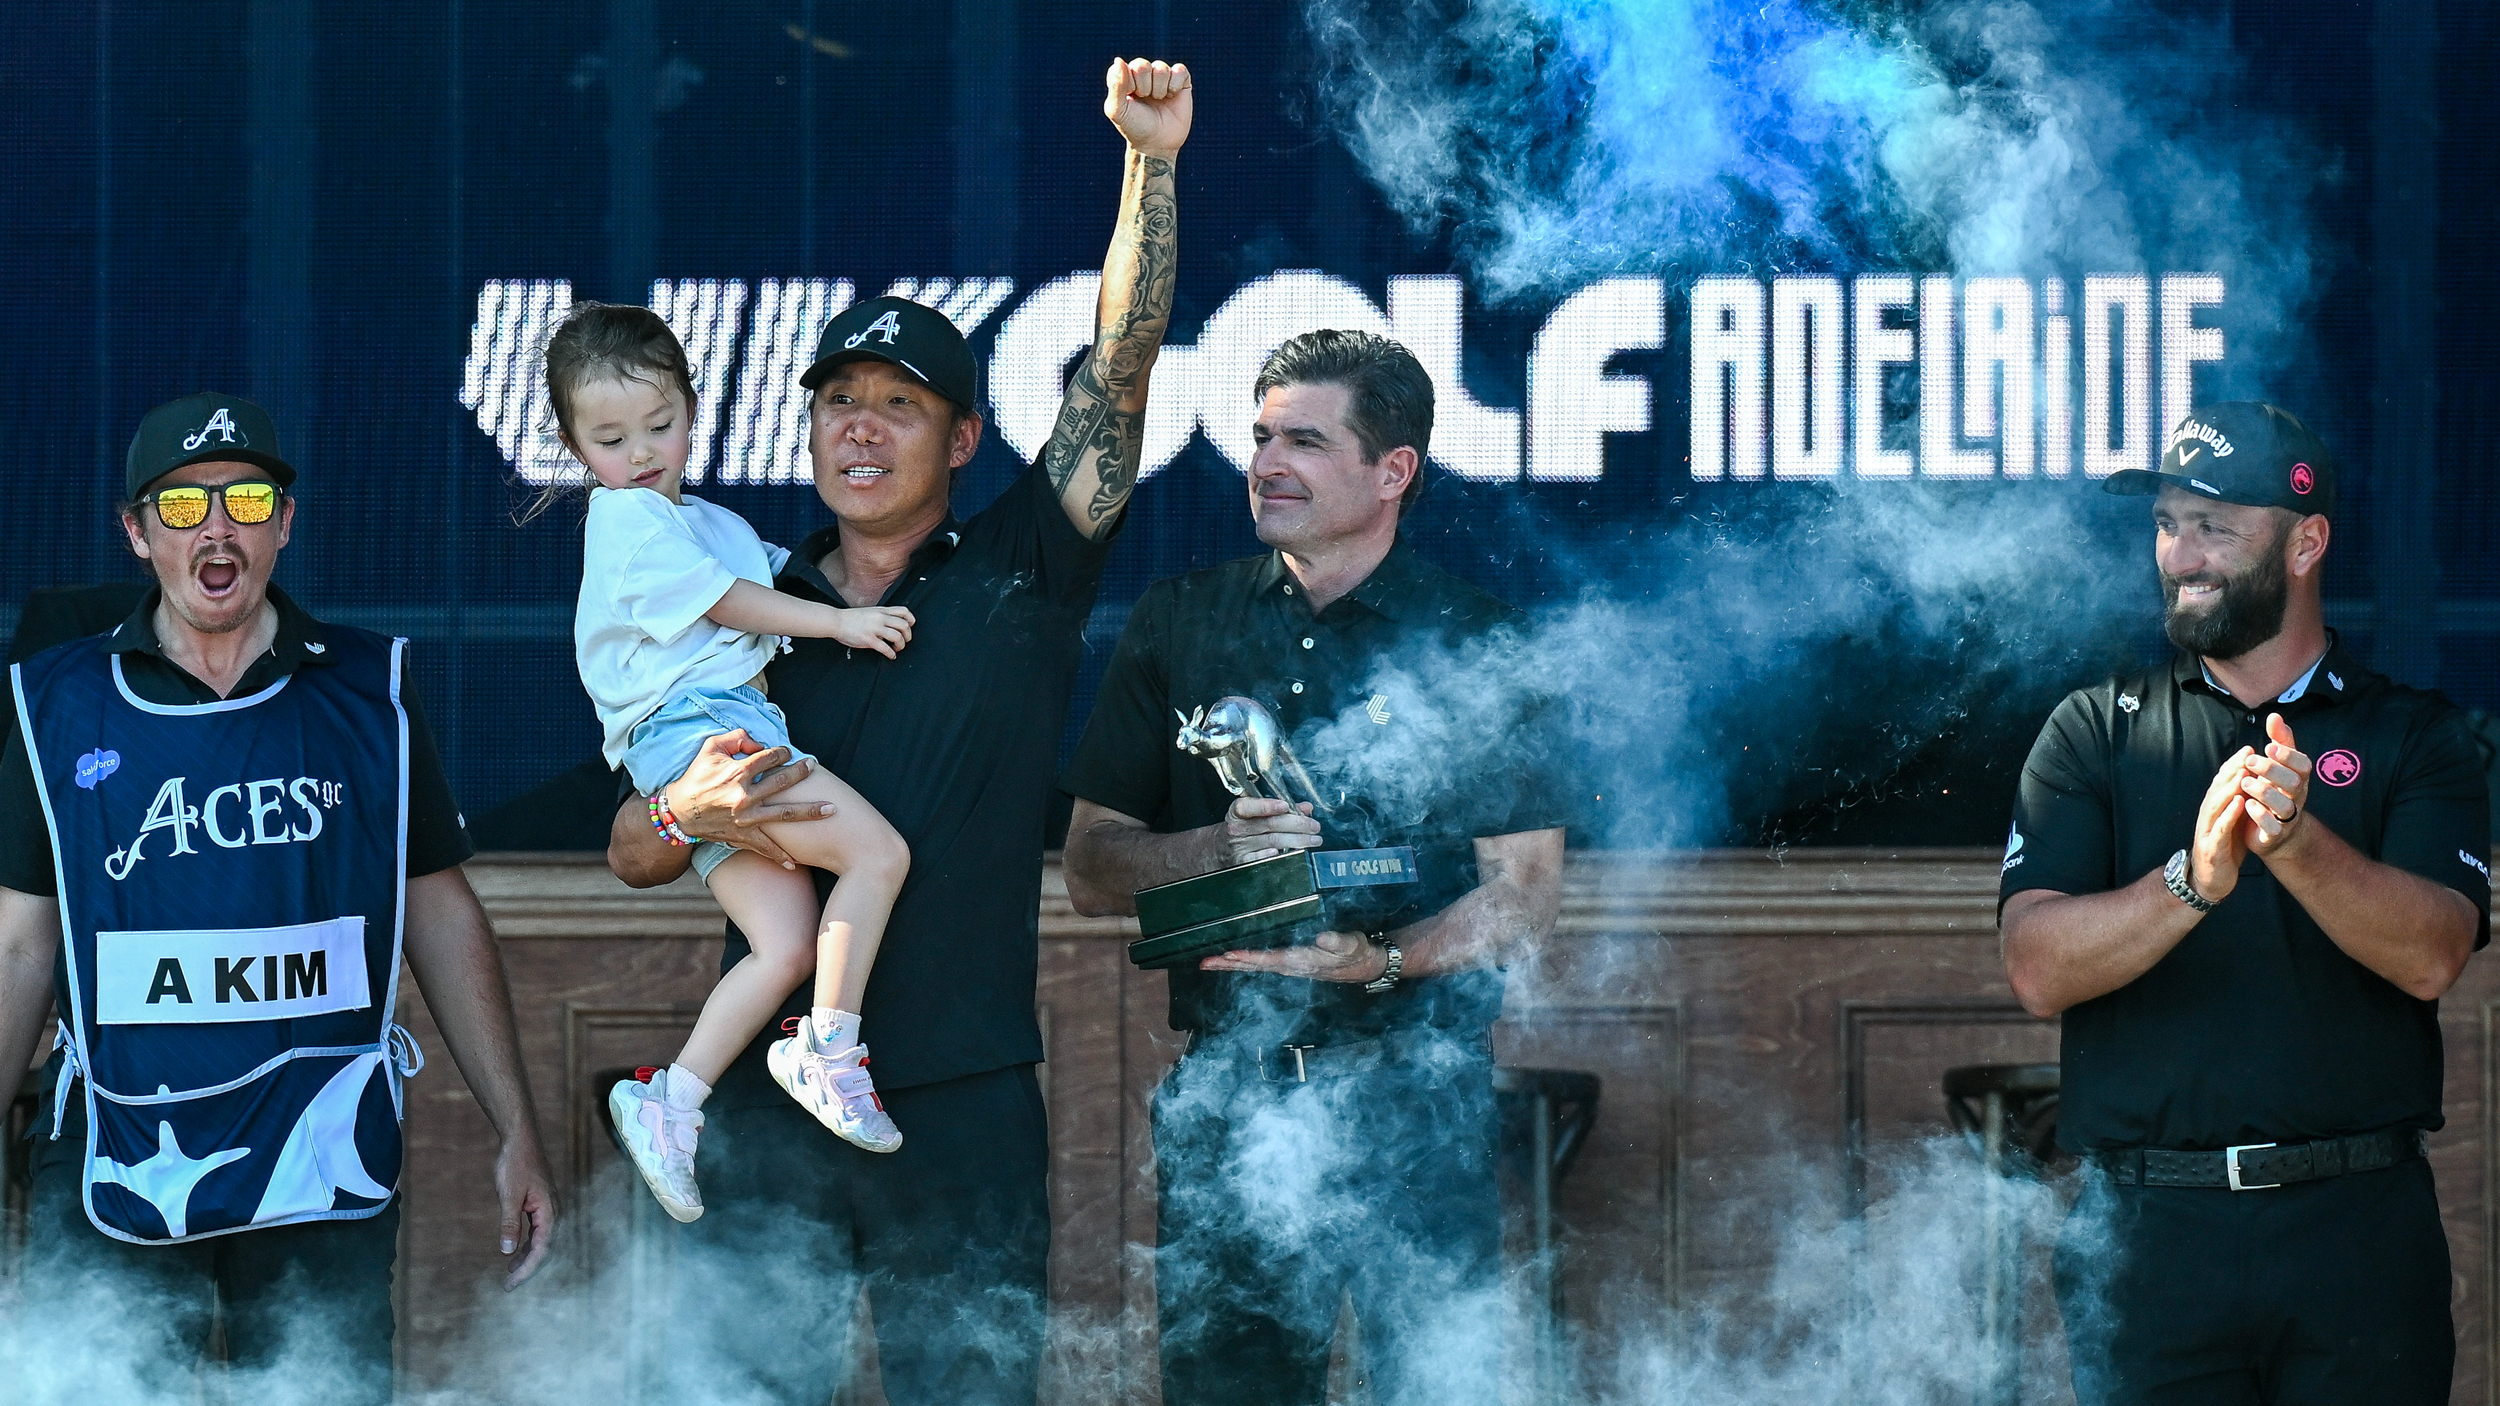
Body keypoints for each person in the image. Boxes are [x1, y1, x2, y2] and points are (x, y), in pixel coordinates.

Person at [601, 57, 1191, 1405]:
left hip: (964, 1101)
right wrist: (690, 805)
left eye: (900, 404)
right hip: (754, 1107)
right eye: (837, 401)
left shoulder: (1020, 573)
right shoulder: (728, 613)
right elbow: (633, 850)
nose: (859, 428)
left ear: (966, 435)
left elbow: (1122, 362)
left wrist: (1148, 167)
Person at [0, 393, 557, 1401]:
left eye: (246, 498)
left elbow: (436, 908)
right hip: (121, 1161)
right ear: (136, 532)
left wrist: (516, 1122)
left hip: (320, 1166)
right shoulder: (55, 698)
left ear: (283, 522)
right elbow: (18, 947)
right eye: (183, 506)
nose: (218, 526)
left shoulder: (368, 690)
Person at [1058, 329, 1570, 1406]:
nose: (1265, 462)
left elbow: (1525, 892)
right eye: (1258, 437)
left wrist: (1377, 959)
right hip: (1226, 1102)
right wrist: (1213, 845)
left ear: (1394, 472)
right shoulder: (1177, 622)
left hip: (1419, 1103)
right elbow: (1091, 866)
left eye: (1304, 439)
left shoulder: (1476, 638)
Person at [2000, 401, 2488, 1405]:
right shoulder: (2093, 729)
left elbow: (2434, 952)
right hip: (2146, 1239)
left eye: (2214, 524)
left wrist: (2298, 843)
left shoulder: (2416, 734)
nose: (2180, 553)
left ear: (2307, 539)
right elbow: (2036, 967)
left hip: (2357, 1229)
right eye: (2166, 522)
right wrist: (2193, 880)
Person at [539, 302, 919, 1226]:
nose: (641, 452)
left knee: (785, 946)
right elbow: (739, 603)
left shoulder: (699, 517)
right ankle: (828, 1045)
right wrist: (840, 623)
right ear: (573, 444)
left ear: (692, 409)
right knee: (879, 858)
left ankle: (671, 1100)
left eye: (660, 426)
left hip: (705, 738)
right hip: (707, 735)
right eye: (611, 437)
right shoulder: (626, 522)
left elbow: (775, 572)